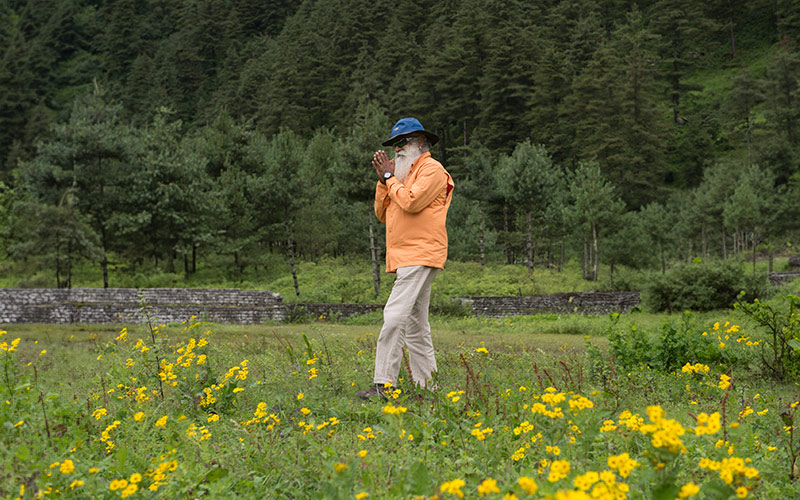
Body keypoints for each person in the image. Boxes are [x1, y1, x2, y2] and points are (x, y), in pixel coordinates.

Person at [357, 117, 454, 400]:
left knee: (394, 316)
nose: (397, 149)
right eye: (394, 144)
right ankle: (428, 388)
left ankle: (384, 385)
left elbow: (411, 202)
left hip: (420, 253)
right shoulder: (402, 175)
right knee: (415, 326)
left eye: (404, 142)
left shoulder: (432, 170)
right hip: (408, 256)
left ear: (421, 143)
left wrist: (389, 179)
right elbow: (383, 213)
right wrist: (384, 181)